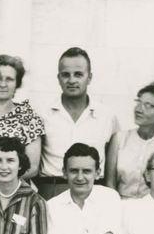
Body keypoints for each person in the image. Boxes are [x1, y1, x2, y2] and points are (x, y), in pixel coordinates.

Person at [35, 47, 118, 200]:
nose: (72, 80)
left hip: (94, 193)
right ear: (58, 78)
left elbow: (111, 169)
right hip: (52, 190)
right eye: (66, 75)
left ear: (90, 77)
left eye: (78, 74)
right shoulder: (42, 114)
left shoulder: (107, 117)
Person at [0, 54, 45, 190]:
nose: (3, 84)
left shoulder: (28, 117)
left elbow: (33, 168)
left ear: (17, 84)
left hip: (15, 193)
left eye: (9, 79)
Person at [104, 83, 154, 199]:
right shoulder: (119, 139)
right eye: (138, 102)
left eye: (148, 105)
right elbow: (110, 183)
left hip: (153, 209)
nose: (139, 109)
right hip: (120, 205)